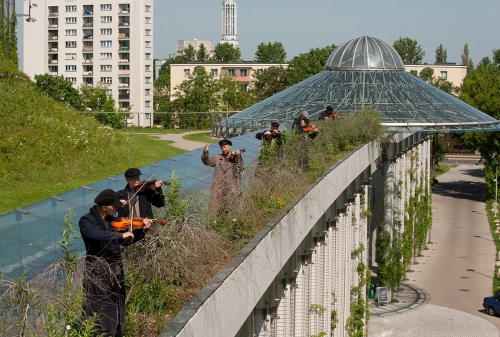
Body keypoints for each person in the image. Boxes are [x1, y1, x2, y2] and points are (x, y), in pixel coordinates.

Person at [79, 189, 152, 337]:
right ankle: (102, 333)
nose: (118, 209)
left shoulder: (111, 221)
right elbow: (94, 234)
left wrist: (140, 231)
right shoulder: (87, 221)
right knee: (102, 304)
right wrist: (118, 235)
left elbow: (124, 242)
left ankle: (118, 331)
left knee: (117, 301)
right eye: (115, 206)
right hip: (98, 268)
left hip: (115, 266)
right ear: (105, 206)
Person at [201, 139, 245, 215]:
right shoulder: (217, 157)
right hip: (218, 187)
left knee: (232, 209)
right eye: (222, 148)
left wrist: (238, 156)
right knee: (215, 209)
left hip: (231, 187)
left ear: (229, 146)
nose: (223, 149)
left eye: (225, 147)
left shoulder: (235, 157)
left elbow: (241, 167)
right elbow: (207, 162)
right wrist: (205, 152)